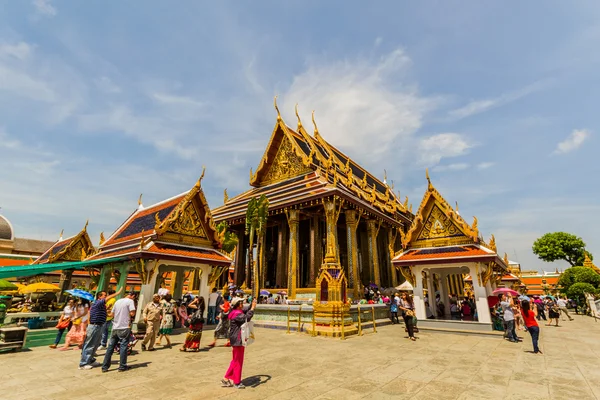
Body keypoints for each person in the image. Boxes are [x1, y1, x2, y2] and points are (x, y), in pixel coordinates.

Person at [79, 288, 122, 369]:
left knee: (95, 344)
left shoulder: (101, 306)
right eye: (104, 295)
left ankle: (90, 360)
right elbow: (107, 299)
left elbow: (108, 315)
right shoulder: (98, 303)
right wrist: (118, 293)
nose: (106, 297)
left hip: (100, 325)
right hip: (94, 326)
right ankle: (83, 363)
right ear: (99, 297)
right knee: (90, 344)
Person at [221, 297, 256, 389]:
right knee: (238, 361)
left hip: (236, 338)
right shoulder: (237, 314)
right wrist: (252, 308)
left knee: (236, 359)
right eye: (241, 303)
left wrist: (252, 304)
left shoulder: (234, 312)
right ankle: (237, 382)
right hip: (238, 339)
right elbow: (246, 318)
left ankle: (226, 378)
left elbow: (245, 310)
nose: (242, 304)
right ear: (237, 304)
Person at [102, 291, 136, 373]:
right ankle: (122, 366)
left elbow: (111, 315)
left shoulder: (117, 301)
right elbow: (132, 313)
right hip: (124, 327)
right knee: (123, 347)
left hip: (115, 327)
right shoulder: (130, 301)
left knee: (110, 347)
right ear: (133, 296)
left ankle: (105, 367)